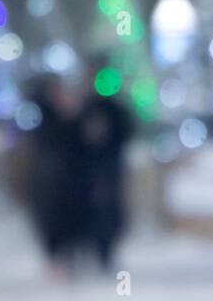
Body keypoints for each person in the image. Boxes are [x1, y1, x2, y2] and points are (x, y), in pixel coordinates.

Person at [25, 76, 85, 277]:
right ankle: (56, 260)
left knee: (68, 224)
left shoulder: (73, 119)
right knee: (52, 224)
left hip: (69, 183)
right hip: (50, 183)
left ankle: (67, 260)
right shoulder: (43, 117)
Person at [78, 72, 134, 270]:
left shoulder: (115, 109)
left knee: (108, 213)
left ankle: (106, 253)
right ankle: (95, 251)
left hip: (109, 170)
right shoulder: (87, 108)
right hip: (88, 173)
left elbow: (127, 132)